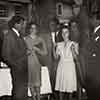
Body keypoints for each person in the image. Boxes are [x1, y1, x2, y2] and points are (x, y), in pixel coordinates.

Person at [2, 16, 28, 100]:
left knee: (23, 93)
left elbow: (19, 50)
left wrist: (25, 52)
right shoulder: (9, 36)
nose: (23, 26)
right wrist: (16, 65)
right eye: (22, 23)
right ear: (16, 24)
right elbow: (5, 55)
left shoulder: (19, 35)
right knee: (18, 94)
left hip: (23, 69)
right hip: (17, 69)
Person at [54, 25, 79, 100]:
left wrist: (73, 50)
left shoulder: (74, 44)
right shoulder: (59, 44)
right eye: (63, 32)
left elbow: (76, 59)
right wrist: (53, 48)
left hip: (70, 67)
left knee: (69, 88)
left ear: (69, 33)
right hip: (61, 66)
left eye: (66, 32)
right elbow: (55, 58)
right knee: (61, 87)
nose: (64, 34)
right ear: (61, 34)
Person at [25, 22, 48, 100]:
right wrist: (26, 52)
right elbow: (22, 52)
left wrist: (37, 49)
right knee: (31, 84)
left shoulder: (40, 39)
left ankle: (38, 98)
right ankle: (33, 98)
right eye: (31, 28)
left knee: (37, 84)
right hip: (28, 64)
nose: (32, 30)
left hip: (37, 64)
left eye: (34, 28)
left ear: (37, 30)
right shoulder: (25, 39)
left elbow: (45, 53)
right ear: (29, 29)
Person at [86, 14, 100, 100]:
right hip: (91, 66)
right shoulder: (93, 31)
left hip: (97, 65)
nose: (90, 20)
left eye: (92, 18)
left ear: (98, 20)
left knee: (96, 90)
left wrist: (91, 51)